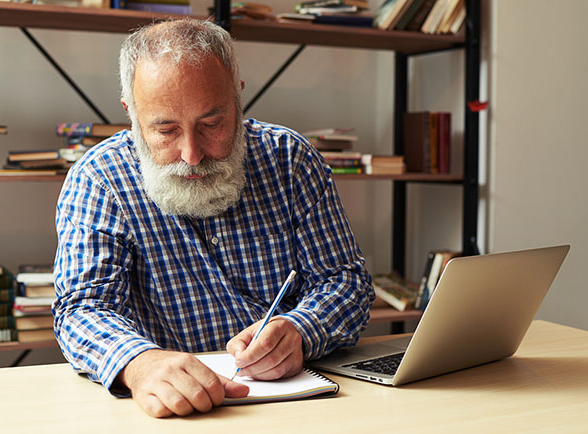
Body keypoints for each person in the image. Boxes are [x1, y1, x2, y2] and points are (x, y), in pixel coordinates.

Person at [53, 18, 374, 418]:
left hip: (301, 403)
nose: (192, 153)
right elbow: (82, 309)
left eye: (211, 124)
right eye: (166, 130)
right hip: (174, 413)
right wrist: (140, 364)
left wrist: (302, 331)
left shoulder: (290, 160)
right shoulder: (100, 179)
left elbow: (345, 281)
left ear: (238, 98)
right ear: (131, 114)